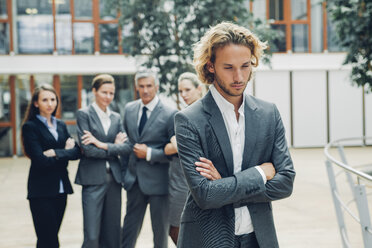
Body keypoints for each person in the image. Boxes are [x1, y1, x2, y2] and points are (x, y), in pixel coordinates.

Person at [174, 22, 296, 248]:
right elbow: (205, 195)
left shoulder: (269, 113)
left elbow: (286, 182)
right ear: (210, 66)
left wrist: (224, 185)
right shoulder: (189, 120)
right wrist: (260, 173)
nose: (239, 76)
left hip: (259, 238)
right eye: (228, 67)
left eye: (246, 66)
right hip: (208, 237)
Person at [116, 69, 177, 248]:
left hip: (160, 183)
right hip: (134, 182)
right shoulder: (129, 109)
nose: (145, 90)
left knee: (160, 235)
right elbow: (127, 146)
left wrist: (150, 153)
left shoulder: (169, 114)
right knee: (128, 233)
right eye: (141, 86)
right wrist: (124, 174)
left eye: (149, 86)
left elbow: (175, 152)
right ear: (136, 87)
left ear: (156, 86)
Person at [21, 84, 80, 248]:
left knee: (48, 238)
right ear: (36, 103)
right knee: (49, 239)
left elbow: (76, 152)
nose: (50, 103)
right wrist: (65, 152)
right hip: (41, 191)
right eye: (45, 100)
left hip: (61, 190)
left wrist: (55, 152)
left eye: (53, 99)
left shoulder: (61, 125)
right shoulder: (30, 127)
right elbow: (40, 161)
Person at [75, 74, 128, 248]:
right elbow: (88, 150)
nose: (108, 97)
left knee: (113, 232)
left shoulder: (116, 117)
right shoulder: (84, 114)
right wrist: (112, 147)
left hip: (114, 180)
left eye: (111, 93)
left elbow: (125, 148)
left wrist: (101, 144)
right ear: (94, 91)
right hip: (92, 179)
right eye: (104, 92)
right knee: (91, 234)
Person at [164, 72, 204, 245]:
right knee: (173, 226)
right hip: (179, 180)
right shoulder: (179, 116)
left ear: (199, 88)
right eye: (181, 91)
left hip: (203, 179)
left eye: (187, 90)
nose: (184, 95)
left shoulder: (208, 114)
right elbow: (168, 148)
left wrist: (178, 145)